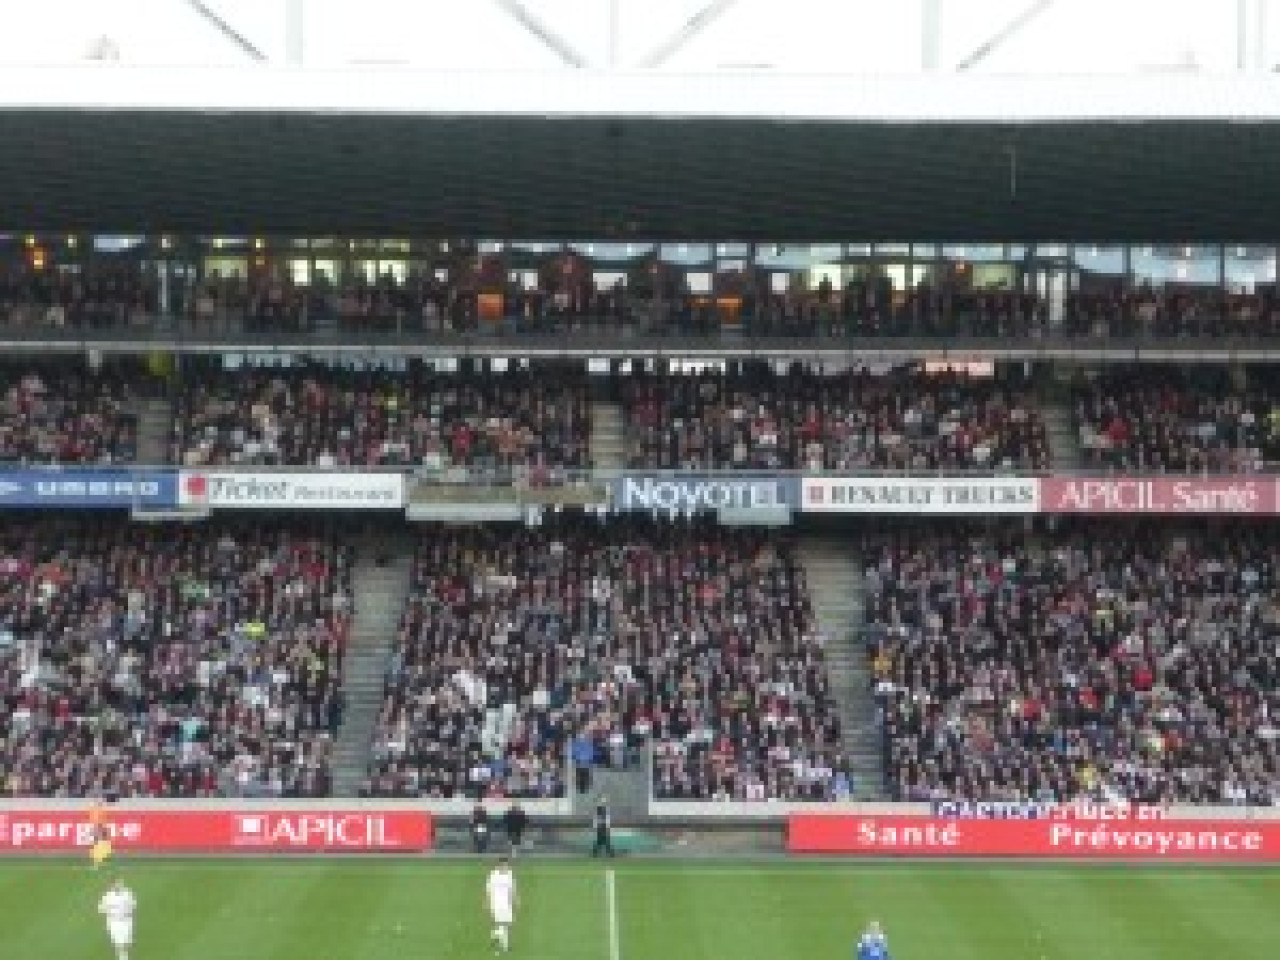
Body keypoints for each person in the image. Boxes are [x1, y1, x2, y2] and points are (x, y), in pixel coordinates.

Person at [485, 856, 518, 954]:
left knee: (507, 925)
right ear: (499, 865)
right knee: (501, 924)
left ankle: (495, 935)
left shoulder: (510, 874)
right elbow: (488, 889)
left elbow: (512, 888)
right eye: (503, 865)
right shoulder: (493, 875)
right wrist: (488, 902)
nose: (505, 867)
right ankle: (505, 948)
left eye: (506, 865)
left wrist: (515, 899)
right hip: (496, 903)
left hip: (507, 903)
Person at [98, 878, 136, 960]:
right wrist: (110, 911)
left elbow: (133, 904)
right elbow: (101, 909)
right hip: (114, 921)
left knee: (127, 940)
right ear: (112, 886)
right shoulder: (107, 896)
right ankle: (122, 955)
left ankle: (124, 952)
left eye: (118, 883)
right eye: (115, 884)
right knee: (118, 940)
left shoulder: (127, 893)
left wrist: (127, 911)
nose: (117, 886)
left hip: (126, 919)